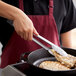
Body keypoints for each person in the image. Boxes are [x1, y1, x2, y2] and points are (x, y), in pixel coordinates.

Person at [0, 0, 76, 68]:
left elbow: (69, 45)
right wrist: (16, 14)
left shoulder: (64, 2)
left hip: (55, 70)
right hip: (13, 71)